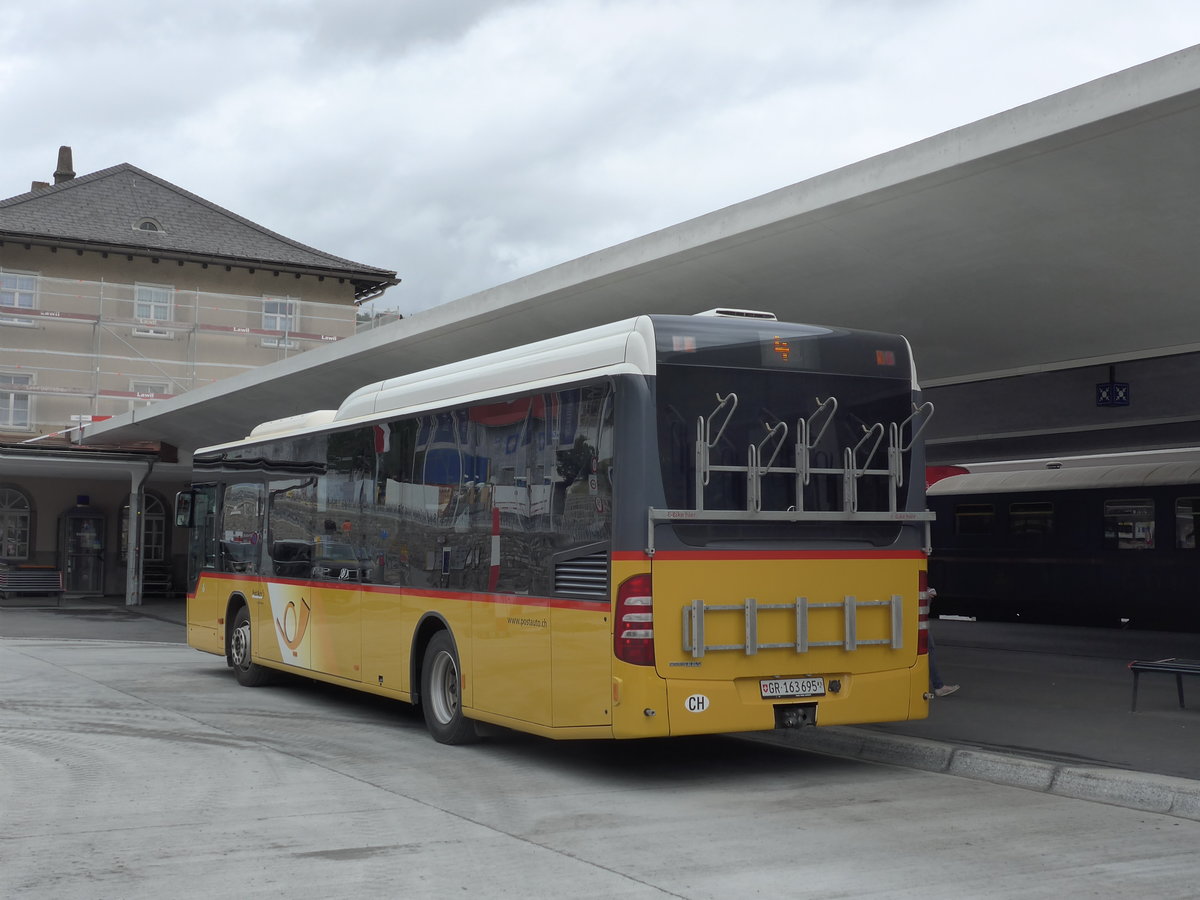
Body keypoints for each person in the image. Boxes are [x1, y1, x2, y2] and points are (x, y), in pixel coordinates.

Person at [927, 588, 959, 697]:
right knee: (929, 649)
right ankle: (938, 686)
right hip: (915, 618)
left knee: (927, 650)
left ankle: (937, 685)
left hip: (913, 616)